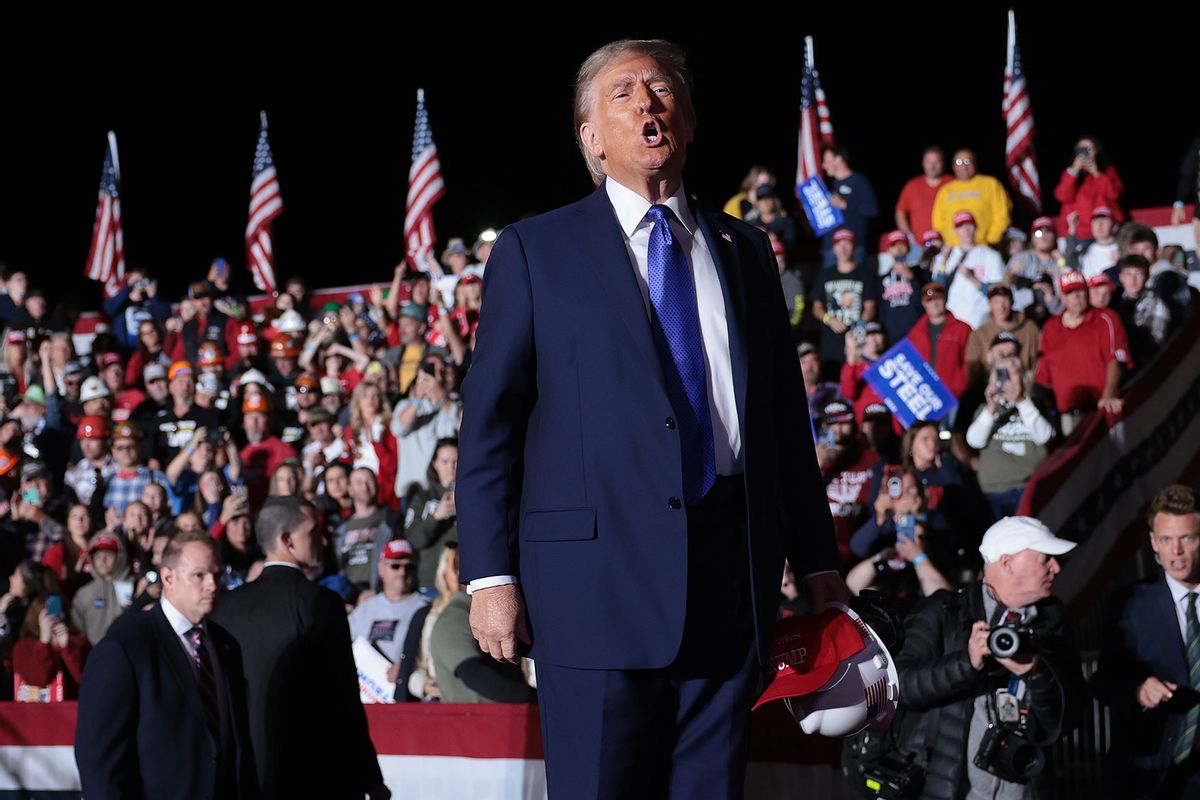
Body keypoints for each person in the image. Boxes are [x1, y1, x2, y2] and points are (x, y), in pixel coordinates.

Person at [457, 39, 846, 798]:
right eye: (623, 92)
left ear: (690, 121)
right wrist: (490, 575)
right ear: (591, 139)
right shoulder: (535, 251)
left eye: (661, 88)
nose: (647, 102)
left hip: (731, 588)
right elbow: (490, 425)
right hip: (591, 593)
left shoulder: (747, 249)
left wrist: (820, 559)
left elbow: (781, 427)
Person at [209, 497, 388, 800]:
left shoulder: (224, 607)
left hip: (244, 776)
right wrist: (370, 779)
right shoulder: (321, 604)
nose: (324, 537)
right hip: (314, 774)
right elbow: (343, 700)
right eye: (313, 530)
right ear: (286, 539)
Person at [894, 517, 1083, 799]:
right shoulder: (945, 611)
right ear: (1007, 563)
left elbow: (1069, 718)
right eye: (1045, 559)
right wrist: (967, 663)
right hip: (949, 788)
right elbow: (900, 687)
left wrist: (1036, 674)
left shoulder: (1051, 622)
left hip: (1025, 787)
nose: (1055, 567)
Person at [74, 530, 258, 800]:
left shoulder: (224, 644)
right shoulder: (125, 646)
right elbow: (100, 761)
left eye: (217, 575)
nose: (212, 585)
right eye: (200, 575)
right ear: (168, 577)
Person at [1093, 485, 1200, 798]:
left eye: (1187, 538)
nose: (1176, 551)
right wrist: (1138, 690)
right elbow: (1104, 680)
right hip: (1149, 776)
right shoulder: (1131, 603)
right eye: (1166, 540)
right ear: (1154, 542)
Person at [348, 538, 430, 701]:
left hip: (405, 698)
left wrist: (407, 670)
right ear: (381, 569)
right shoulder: (364, 608)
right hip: (363, 697)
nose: (402, 572)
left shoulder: (426, 609)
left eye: (409, 566)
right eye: (395, 566)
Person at [930, 149, 1012, 247]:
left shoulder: (991, 184)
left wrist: (991, 240)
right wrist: (945, 244)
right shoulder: (945, 190)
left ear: (975, 163)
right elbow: (938, 221)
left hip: (984, 247)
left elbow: (1002, 214)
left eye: (968, 161)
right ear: (953, 166)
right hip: (953, 249)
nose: (964, 166)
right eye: (959, 162)